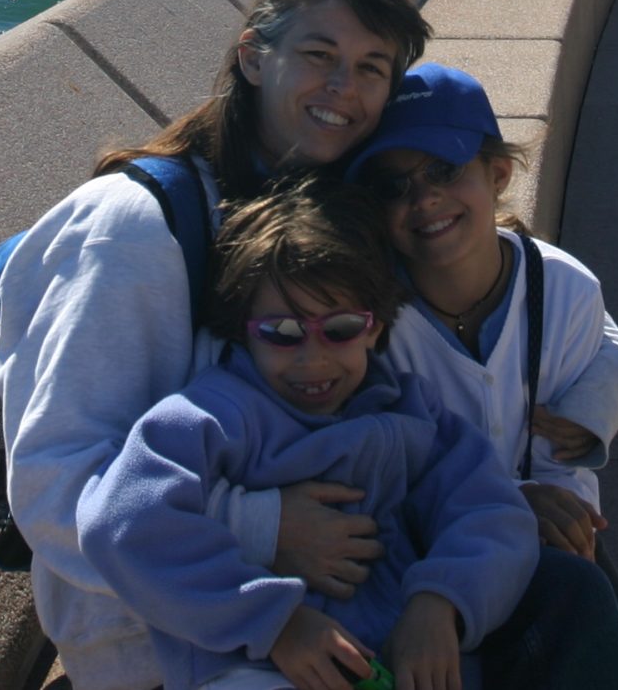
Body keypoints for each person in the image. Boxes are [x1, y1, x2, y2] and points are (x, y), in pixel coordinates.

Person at [0, 0, 431, 690]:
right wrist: (265, 528)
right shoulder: (132, 232)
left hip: (323, 614)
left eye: (370, 68)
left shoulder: (318, 216)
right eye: (319, 55)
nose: (342, 89)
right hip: (156, 650)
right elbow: (51, 489)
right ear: (254, 56)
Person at [80, 179, 541, 690]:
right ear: (242, 328)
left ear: (376, 326)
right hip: (255, 667)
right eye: (282, 333)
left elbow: (492, 510)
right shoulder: (213, 415)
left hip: (393, 659)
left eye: (340, 328)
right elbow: (121, 521)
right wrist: (274, 621)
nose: (312, 358)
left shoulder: (410, 411)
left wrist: (440, 603)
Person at [353, 65, 618, 688]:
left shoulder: (564, 289)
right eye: (393, 186)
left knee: (574, 572)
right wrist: (513, 505)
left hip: (543, 550)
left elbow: (560, 467)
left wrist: (543, 505)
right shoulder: (368, 318)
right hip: (420, 557)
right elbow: (380, 472)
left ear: (497, 174)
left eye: (444, 171)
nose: (424, 199)